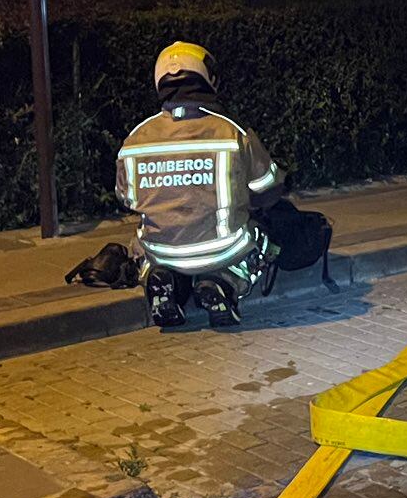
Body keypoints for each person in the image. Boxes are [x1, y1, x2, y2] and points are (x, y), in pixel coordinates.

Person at [117, 41, 284, 328]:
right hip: (222, 248)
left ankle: (163, 282)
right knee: (263, 237)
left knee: (140, 244)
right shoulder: (232, 131)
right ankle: (225, 283)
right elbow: (268, 187)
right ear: (208, 80)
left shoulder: (135, 138)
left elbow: (125, 198)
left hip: (162, 249)